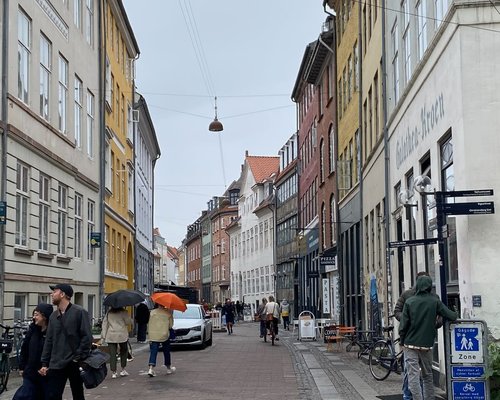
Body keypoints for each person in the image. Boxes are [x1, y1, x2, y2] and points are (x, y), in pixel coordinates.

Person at [399, 275, 458, 400]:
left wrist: (402, 341)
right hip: (427, 345)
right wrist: (454, 311)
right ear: (430, 286)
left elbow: (403, 325)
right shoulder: (435, 301)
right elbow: (451, 316)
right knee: (427, 376)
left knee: (413, 376)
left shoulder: (410, 302)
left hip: (410, 344)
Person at [40, 284, 92, 400]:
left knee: (77, 394)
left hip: (74, 362)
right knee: (53, 395)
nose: (52, 294)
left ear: (62, 294)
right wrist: (44, 363)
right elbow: (49, 340)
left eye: (55, 292)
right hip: (56, 363)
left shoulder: (79, 312)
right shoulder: (53, 316)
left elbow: (87, 337)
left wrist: (78, 357)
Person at [14, 303, 53, 400]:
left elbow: (55, 352)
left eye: (36, 315)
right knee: (23, 396)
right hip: (31, 372)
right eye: (34, 314)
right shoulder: (33, 330)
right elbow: (25, 348)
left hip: (45, 374)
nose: (34, 317)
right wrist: (22, 367)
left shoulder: (52, 332)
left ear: (44, 317)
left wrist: (47, 367)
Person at [101, 307, 132, 379]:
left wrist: (103, 336)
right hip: (122, 335)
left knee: (112, 354)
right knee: (124, 351)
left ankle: (113, 372)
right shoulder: (124, 312)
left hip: (111, 335)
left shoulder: (109, 313)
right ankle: (123, 369)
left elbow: (105, 324)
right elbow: (128, 322)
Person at [147, 304, 175, 377]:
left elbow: (148, 323)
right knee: (166, 351)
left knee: (154, 351)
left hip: (154, 334)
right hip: (164, 334)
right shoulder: (168, 313)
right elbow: (170, 326)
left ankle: (151, 368)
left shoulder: (152, 312)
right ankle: (168, 368)